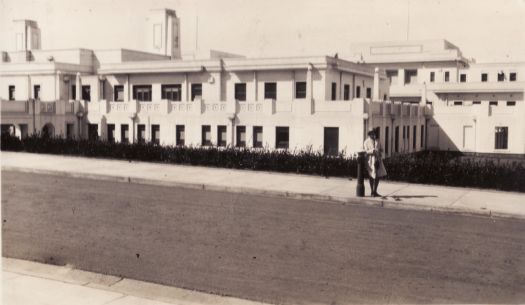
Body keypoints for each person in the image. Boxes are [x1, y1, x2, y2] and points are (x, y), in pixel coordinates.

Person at [363, 127, 387, 197]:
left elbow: (382, 149)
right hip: (370, 160)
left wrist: (379, 151)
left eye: (374, 133)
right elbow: (365, 151)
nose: (373, 135)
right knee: (371, 175)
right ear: (369, 134)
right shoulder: (366, 142)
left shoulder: (377, 140)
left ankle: (375, 191)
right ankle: (372, 191)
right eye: (372, 133)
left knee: (378, 176)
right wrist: (372, 151)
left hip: (377, 160)